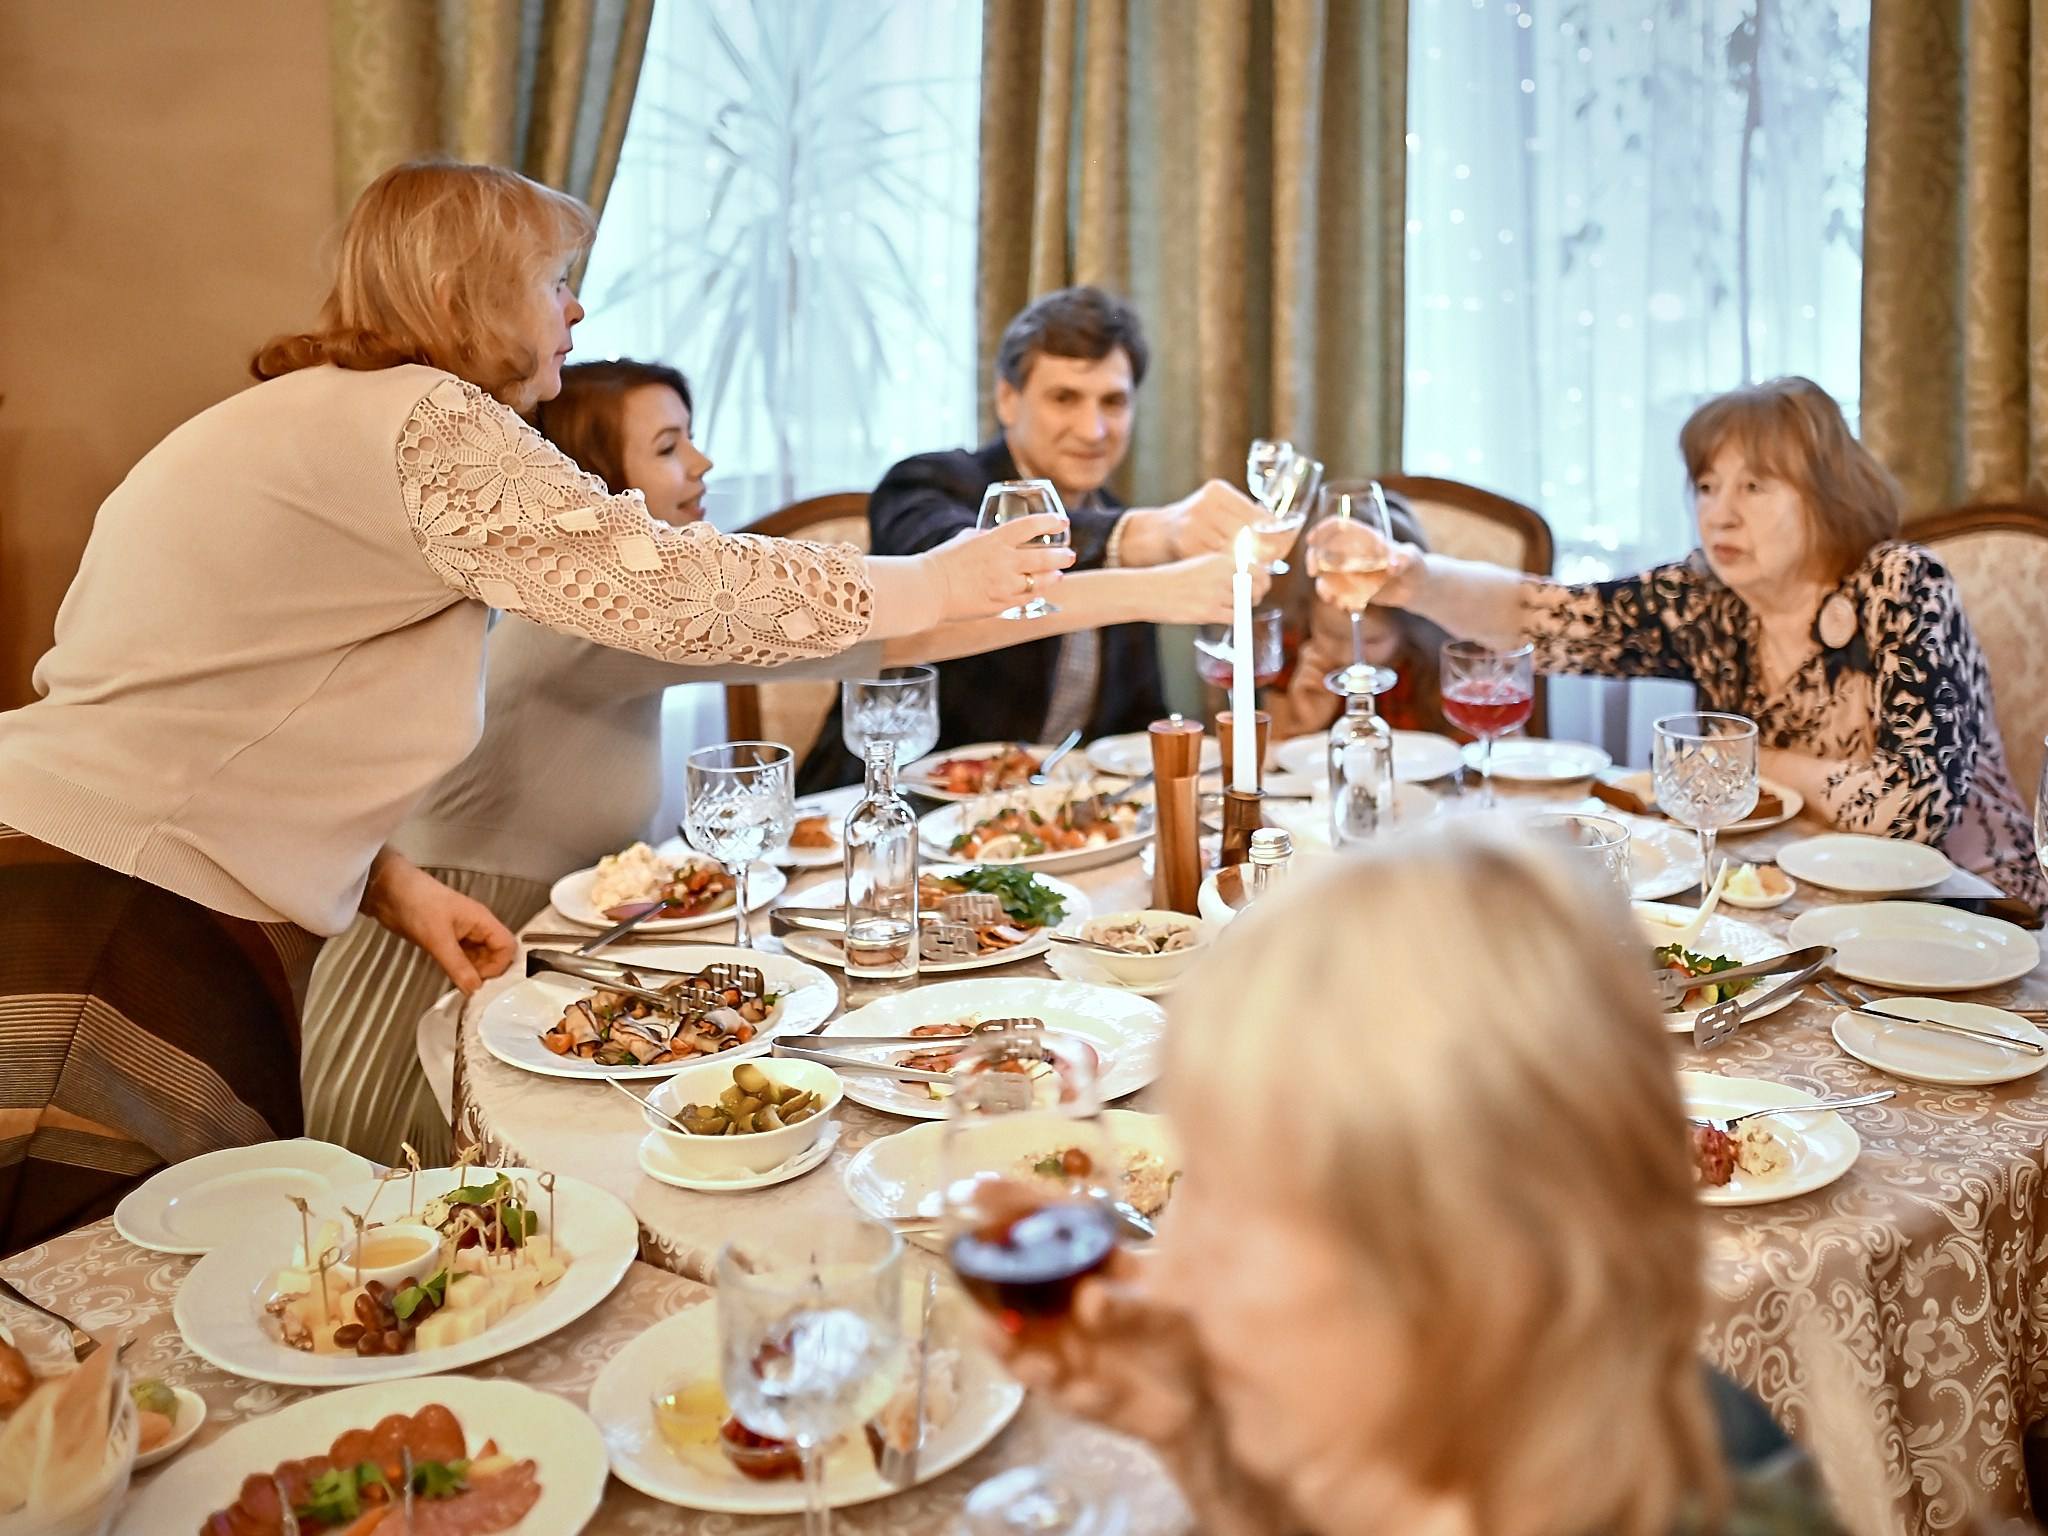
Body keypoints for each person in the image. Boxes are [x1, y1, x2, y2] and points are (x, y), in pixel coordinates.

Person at [0, 159, 1074, 1251]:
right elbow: (673, 588)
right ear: (464, 293)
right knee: (74, 1302)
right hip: (118, 916)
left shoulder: (318, 420)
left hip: (113, 880)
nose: (577, 307)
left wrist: (389, 882)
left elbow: (223, 698)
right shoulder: (424, 422)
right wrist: (935, 579)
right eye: (553, 277)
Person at [302, 356, 1259, 1163]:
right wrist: (1151, 589)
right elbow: (882, 638)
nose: (704, 461)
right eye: (669, 446)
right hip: (436, 969)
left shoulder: (597, 612)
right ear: (595, 483)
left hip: (558, 946)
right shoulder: (586, 614)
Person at [1002, 830, 1844, 1536]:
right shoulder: (1425, 1448)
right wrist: (1203, 1452)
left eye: (1233, 1218)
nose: (1165, 1278)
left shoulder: (1731, 1491)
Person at [1358, 377, 2043, 905]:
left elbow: (1909, 812)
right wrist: (1410, 578)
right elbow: (1549, 617)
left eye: (1755, 485)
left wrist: (1747, 760)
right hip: (1803, 898)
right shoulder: (1710, 599)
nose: (1722, 512)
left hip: (1966, 909)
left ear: (1827, 494)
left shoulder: (1902, 586)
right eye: (1707, 485)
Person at [800, 285, 1265, 790]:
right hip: (886, 805)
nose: (1093, 429)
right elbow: (952, 562)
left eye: (1113, 402)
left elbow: (1132, 727)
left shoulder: (1117, 522)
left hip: (1049, 826)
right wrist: (1140, 535)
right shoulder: (930, 481)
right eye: (1064, 398)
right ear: (1007, 397)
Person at [1273, 492, 1454, 740]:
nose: (1350, 657)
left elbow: (1495, 748)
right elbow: (1271, 762)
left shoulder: (1438, 667)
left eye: (1372, 641)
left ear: (1410, 628)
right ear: (1308, 615)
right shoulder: (1290, 653)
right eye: (1331, 636)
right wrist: (1303, 722)